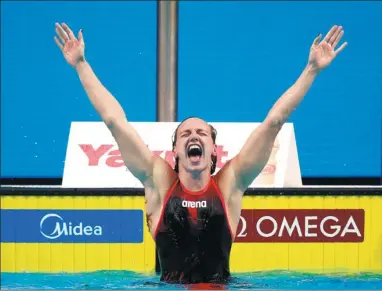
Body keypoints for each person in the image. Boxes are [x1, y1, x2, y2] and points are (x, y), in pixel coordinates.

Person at [54, 23, 347, 284]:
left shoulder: (230, 184)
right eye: (186, 134)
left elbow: (274, 122)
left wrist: (312, 70)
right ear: (176, 152)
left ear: (213, 152)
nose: (194, 136)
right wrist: (81, 64)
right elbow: (114, 121)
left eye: (201, 133)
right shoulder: (159, 182)